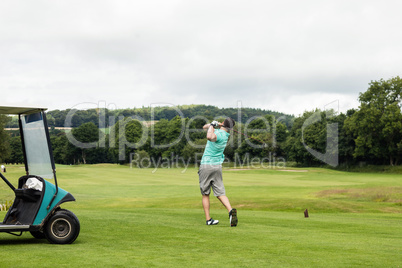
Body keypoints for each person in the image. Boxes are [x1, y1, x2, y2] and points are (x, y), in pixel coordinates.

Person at [198, 117, 238, 227]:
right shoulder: (225, 135)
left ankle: (208, 219)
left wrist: (212, 125)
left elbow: (209, 136)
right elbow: (204, 127)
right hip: (217, 167)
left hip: (206, 165)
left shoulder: (218, 134)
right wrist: (213, 124)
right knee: (220, 193)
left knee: (205, 194)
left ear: (223, 123)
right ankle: (230, 211)